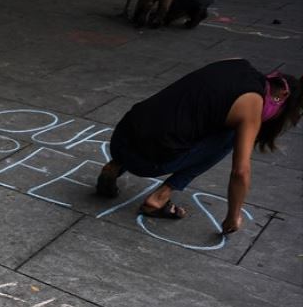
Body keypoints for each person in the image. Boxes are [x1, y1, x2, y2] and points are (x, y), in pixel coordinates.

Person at [95, 60, 302, 232]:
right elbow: (240, 172)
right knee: (231, 136)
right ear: (281, 96)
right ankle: (160, 197)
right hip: (147, 161)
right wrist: (233, 216)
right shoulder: (252, 106)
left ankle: (117, 165)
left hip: (121, 138)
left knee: (194, 118)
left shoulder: (235, 62)